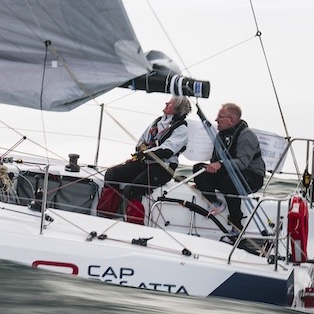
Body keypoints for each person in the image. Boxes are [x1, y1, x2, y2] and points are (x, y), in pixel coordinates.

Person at [97, 96, 192, 223]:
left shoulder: (181, 129)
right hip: (144, 162)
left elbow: (167, 150)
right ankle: (104, 215)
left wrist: (145, 153)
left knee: (133, 188)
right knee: (112, 174)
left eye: (170, 103)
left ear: (176, 109)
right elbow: (142, 141)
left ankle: (135, 224)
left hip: (163, 168)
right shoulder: (157, 122)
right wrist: (140, 151)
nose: (166, 103)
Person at [193, 102, 266, 231]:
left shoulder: (247, 136)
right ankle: (215, 202)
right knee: (199, 170)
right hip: (230, 172)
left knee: (230, 182)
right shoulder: (220, 136)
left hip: (252, 175)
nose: (216, 120)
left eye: (220, 117)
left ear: (231, 120)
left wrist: (220, 164)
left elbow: (243, 163)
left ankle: (236, 225)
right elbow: (214, 161)